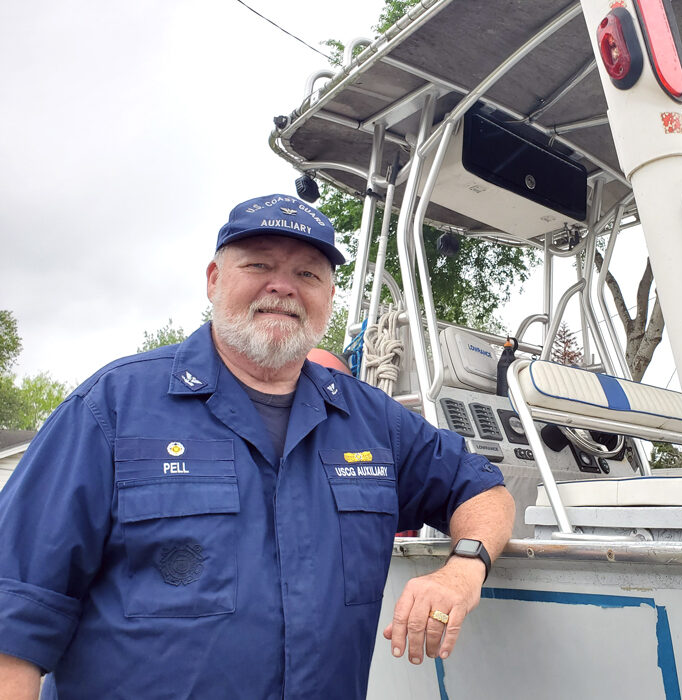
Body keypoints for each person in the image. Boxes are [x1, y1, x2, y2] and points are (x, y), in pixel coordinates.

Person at [0, 194, 515, 699]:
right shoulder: (111, 407)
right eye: (259, 264)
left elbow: (484, 492)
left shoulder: (374, 421)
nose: (283, 288)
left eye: (308, 274)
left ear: (329, 298)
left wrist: (462, 571)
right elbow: (14, 617)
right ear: (213, 280)